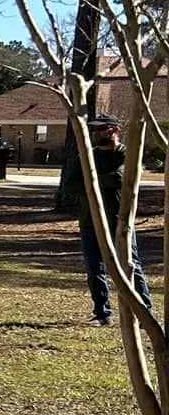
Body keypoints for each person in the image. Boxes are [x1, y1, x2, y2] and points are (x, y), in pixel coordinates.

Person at [80, 118, 155, 326]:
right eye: (94, 129)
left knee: (131, 265)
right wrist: (95, 183)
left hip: (119, 221)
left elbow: (121, 179)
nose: (97, 133)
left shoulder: (126, 154)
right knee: (94, 268)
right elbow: (71, 184)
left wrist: (91, 182)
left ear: (115, 130)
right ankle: (102, 313)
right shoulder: (87, 155)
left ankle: (144, 311)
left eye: (102, 129)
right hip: (90, 221)